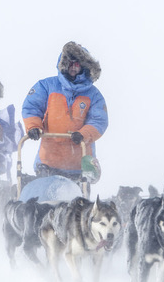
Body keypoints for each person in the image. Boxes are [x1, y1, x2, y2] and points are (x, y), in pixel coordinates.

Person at [22, 41, 108, 181]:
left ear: (84, 66)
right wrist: (33, 127)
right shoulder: (46, 86)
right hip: (48, 161)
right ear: (64, 63)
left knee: (78, 201)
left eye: (77, 64)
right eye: (70, 63)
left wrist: (83, 134)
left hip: (79, 164)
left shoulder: (94, 95)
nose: (73, 67)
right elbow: (32, 107)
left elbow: (99, 120)